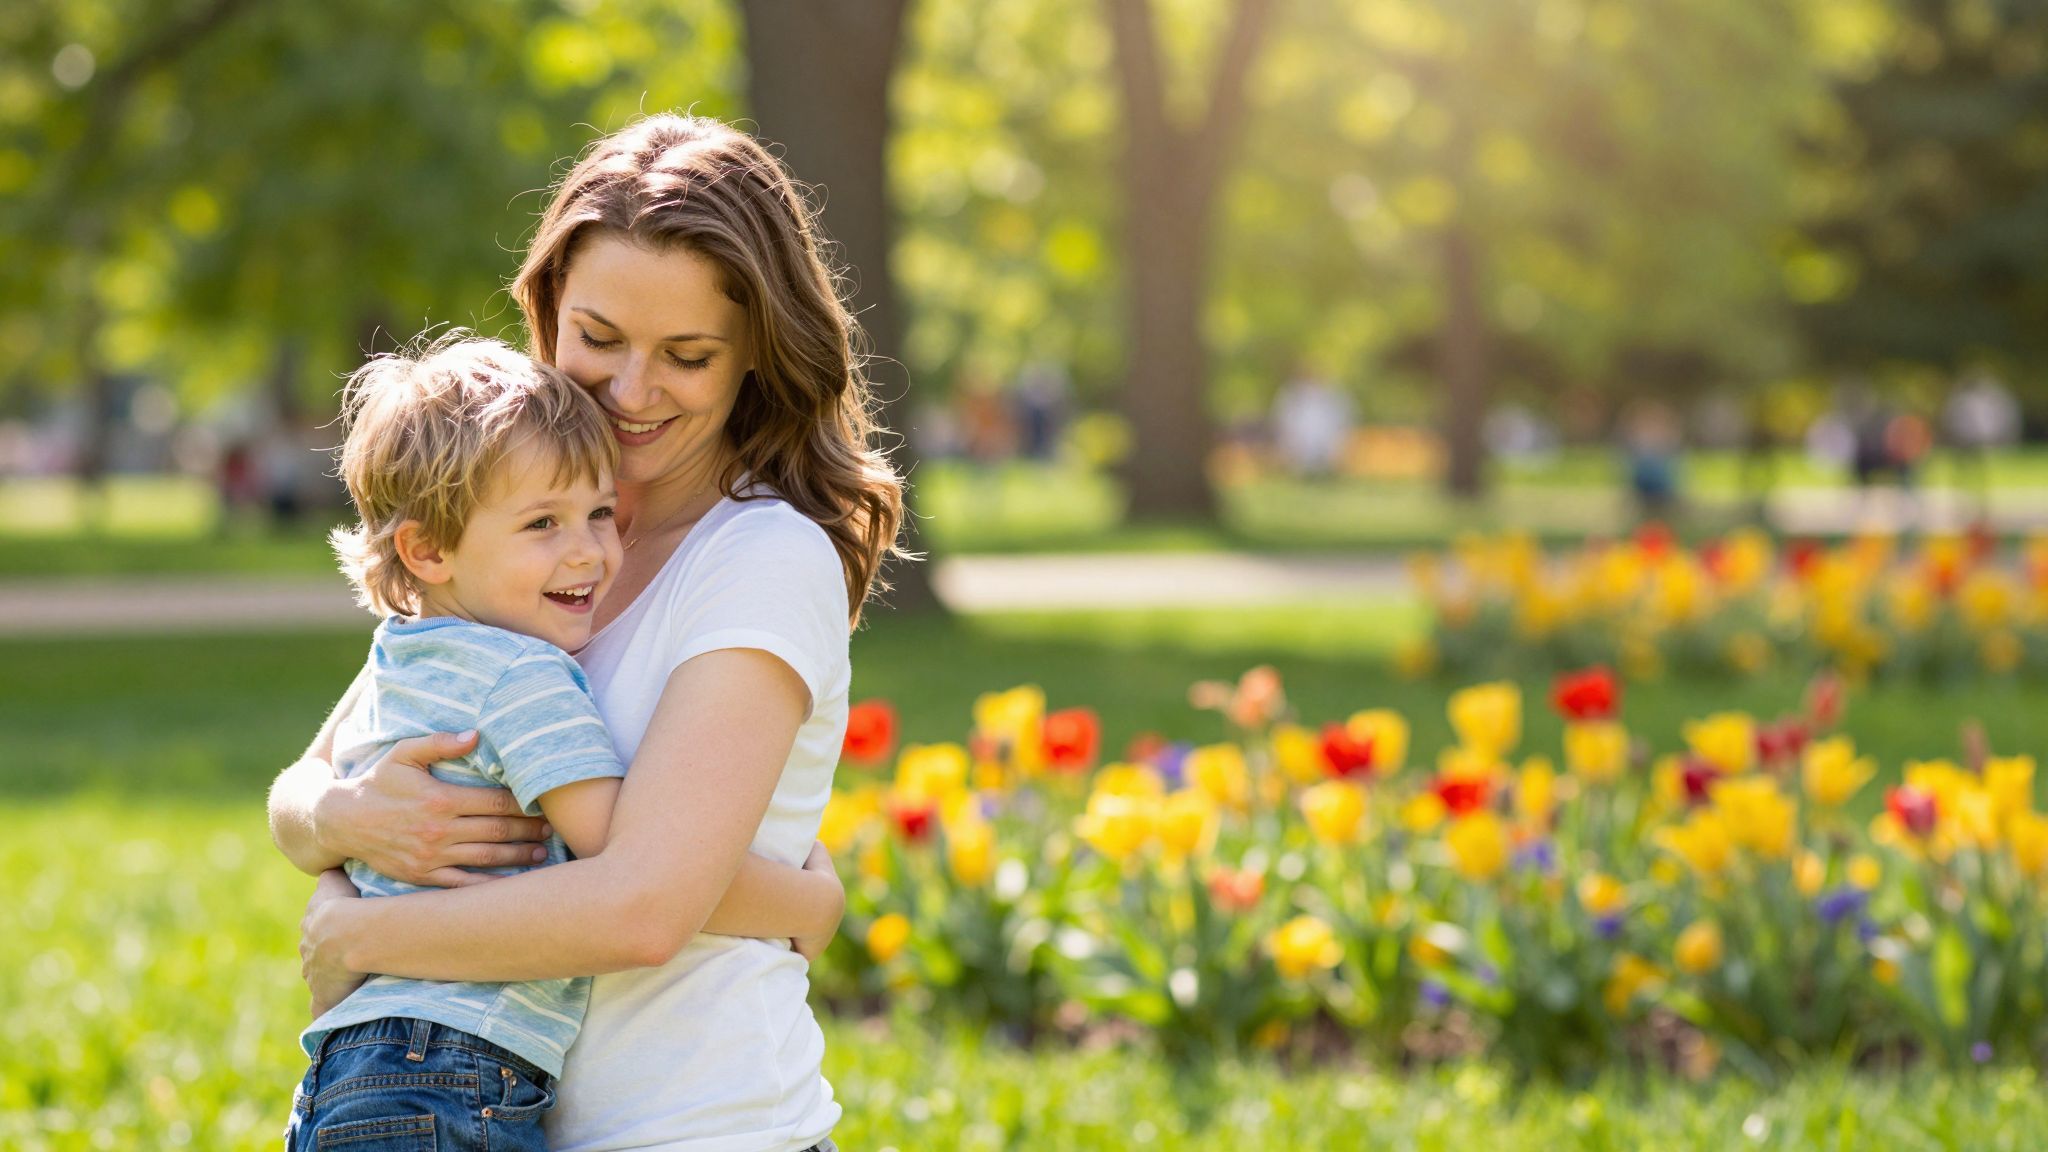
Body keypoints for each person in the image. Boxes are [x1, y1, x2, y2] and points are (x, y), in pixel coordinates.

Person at [267, 114, 906, 1152]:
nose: (629, 391)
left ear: (754, 355)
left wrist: (362, 930)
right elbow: (302, 786)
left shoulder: (761, 559)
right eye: (598, 338)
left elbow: (645, 904)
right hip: (463, 1109)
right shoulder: (518, 526)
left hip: (695, 1128)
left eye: (687, 356)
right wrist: (344, 819)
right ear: (548, 307)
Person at [283, 335, 845, 1150]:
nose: (587, 550)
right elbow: (629, 854)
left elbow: (312, 778)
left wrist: (340, 876)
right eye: (543, 523)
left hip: (359, 1063)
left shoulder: (406, 646)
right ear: (427, 550)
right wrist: (807, 900)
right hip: (450, 1070)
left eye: (599, 514)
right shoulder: (524, 674)